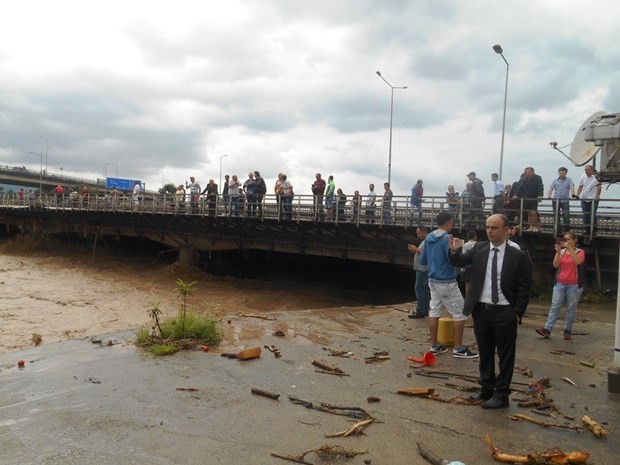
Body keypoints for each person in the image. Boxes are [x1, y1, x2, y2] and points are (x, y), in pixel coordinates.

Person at [449, 214, 532, 409]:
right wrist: (453, 252)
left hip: (505, 311)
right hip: (482, 310)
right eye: (487, 227)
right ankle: (486, 388)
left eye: (494, 227)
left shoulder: (517, 255)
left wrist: (518, 311)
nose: (489, 231)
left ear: (506, 230)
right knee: (485, 352)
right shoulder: (479, 249)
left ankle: (501, 394)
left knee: (505, 355)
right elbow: (460, 261)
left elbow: (525, 285)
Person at [419, 212, 478, 359]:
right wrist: (455, 251)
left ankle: (434, 345)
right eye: (452, 222)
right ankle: (458, 348)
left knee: (434, 311)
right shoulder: (448, 239)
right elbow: (454, 260)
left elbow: (422, 261)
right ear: (448, 222)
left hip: (433, 280)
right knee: (460, 313)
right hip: (447, 280)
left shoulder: (428, 239)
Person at [536, 232, 585, 341]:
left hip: (574, 284)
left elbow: (578, 261)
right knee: (555, 306)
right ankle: (547, 329)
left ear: (574, 240)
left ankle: (568, 330)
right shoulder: (562, 252)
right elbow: (555, 265)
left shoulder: (580, 252)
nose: (566, 242)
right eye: (564, 239)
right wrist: (558, 252)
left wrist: (570, 249)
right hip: (560, 282)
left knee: (571, 308)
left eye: (568, 239)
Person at [407, 226, 430, 319]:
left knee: (419, 288)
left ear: (424, 232)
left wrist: (415, 249)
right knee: (424, 289)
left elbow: (427, 253)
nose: (418, 236)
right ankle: (424, 310)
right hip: (423, 268)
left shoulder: (428, 240)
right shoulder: (426, 241)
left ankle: (420, 311)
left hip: (423, 269)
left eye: (419, 233)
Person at [514, 167, 543, 232]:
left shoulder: (537, 178)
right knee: (529, 212)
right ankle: (531, 226)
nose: (528, 173)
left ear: (533, 172)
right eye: (526, 172)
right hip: (527, 197)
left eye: (529, 172)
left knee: (533, 212)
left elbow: (540, 186)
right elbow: (520, 187)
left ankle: (535, 226)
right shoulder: (525, 179)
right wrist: (516, 194)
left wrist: (540, 195)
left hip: (534, 197)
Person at [547, 167, 575, 233]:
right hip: (555, 200)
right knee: (556, 215)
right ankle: (557, 229)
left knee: (566, 215)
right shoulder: (555, 180)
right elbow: (551, 188)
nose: (561, 174)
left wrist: (573, 195)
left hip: (565, 201)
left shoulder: (569, 180)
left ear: (566, 173)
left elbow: (572, 187)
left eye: (563, 173)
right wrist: (549, 195)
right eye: (560, 173)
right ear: (558, 173)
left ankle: (567, 230)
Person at [576, 164, 601, 235]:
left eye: (588, 170)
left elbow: (599, 187)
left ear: (591, 170)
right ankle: (587, 230)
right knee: (585, 215)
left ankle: (594, 230)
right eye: (585, 170)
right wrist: (577, 195)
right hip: (584, 198)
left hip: (593, 199)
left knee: (593, 215)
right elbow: (580, 186)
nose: (586, 171)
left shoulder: (596, 177)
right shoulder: (583, 177)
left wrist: (598, 195)